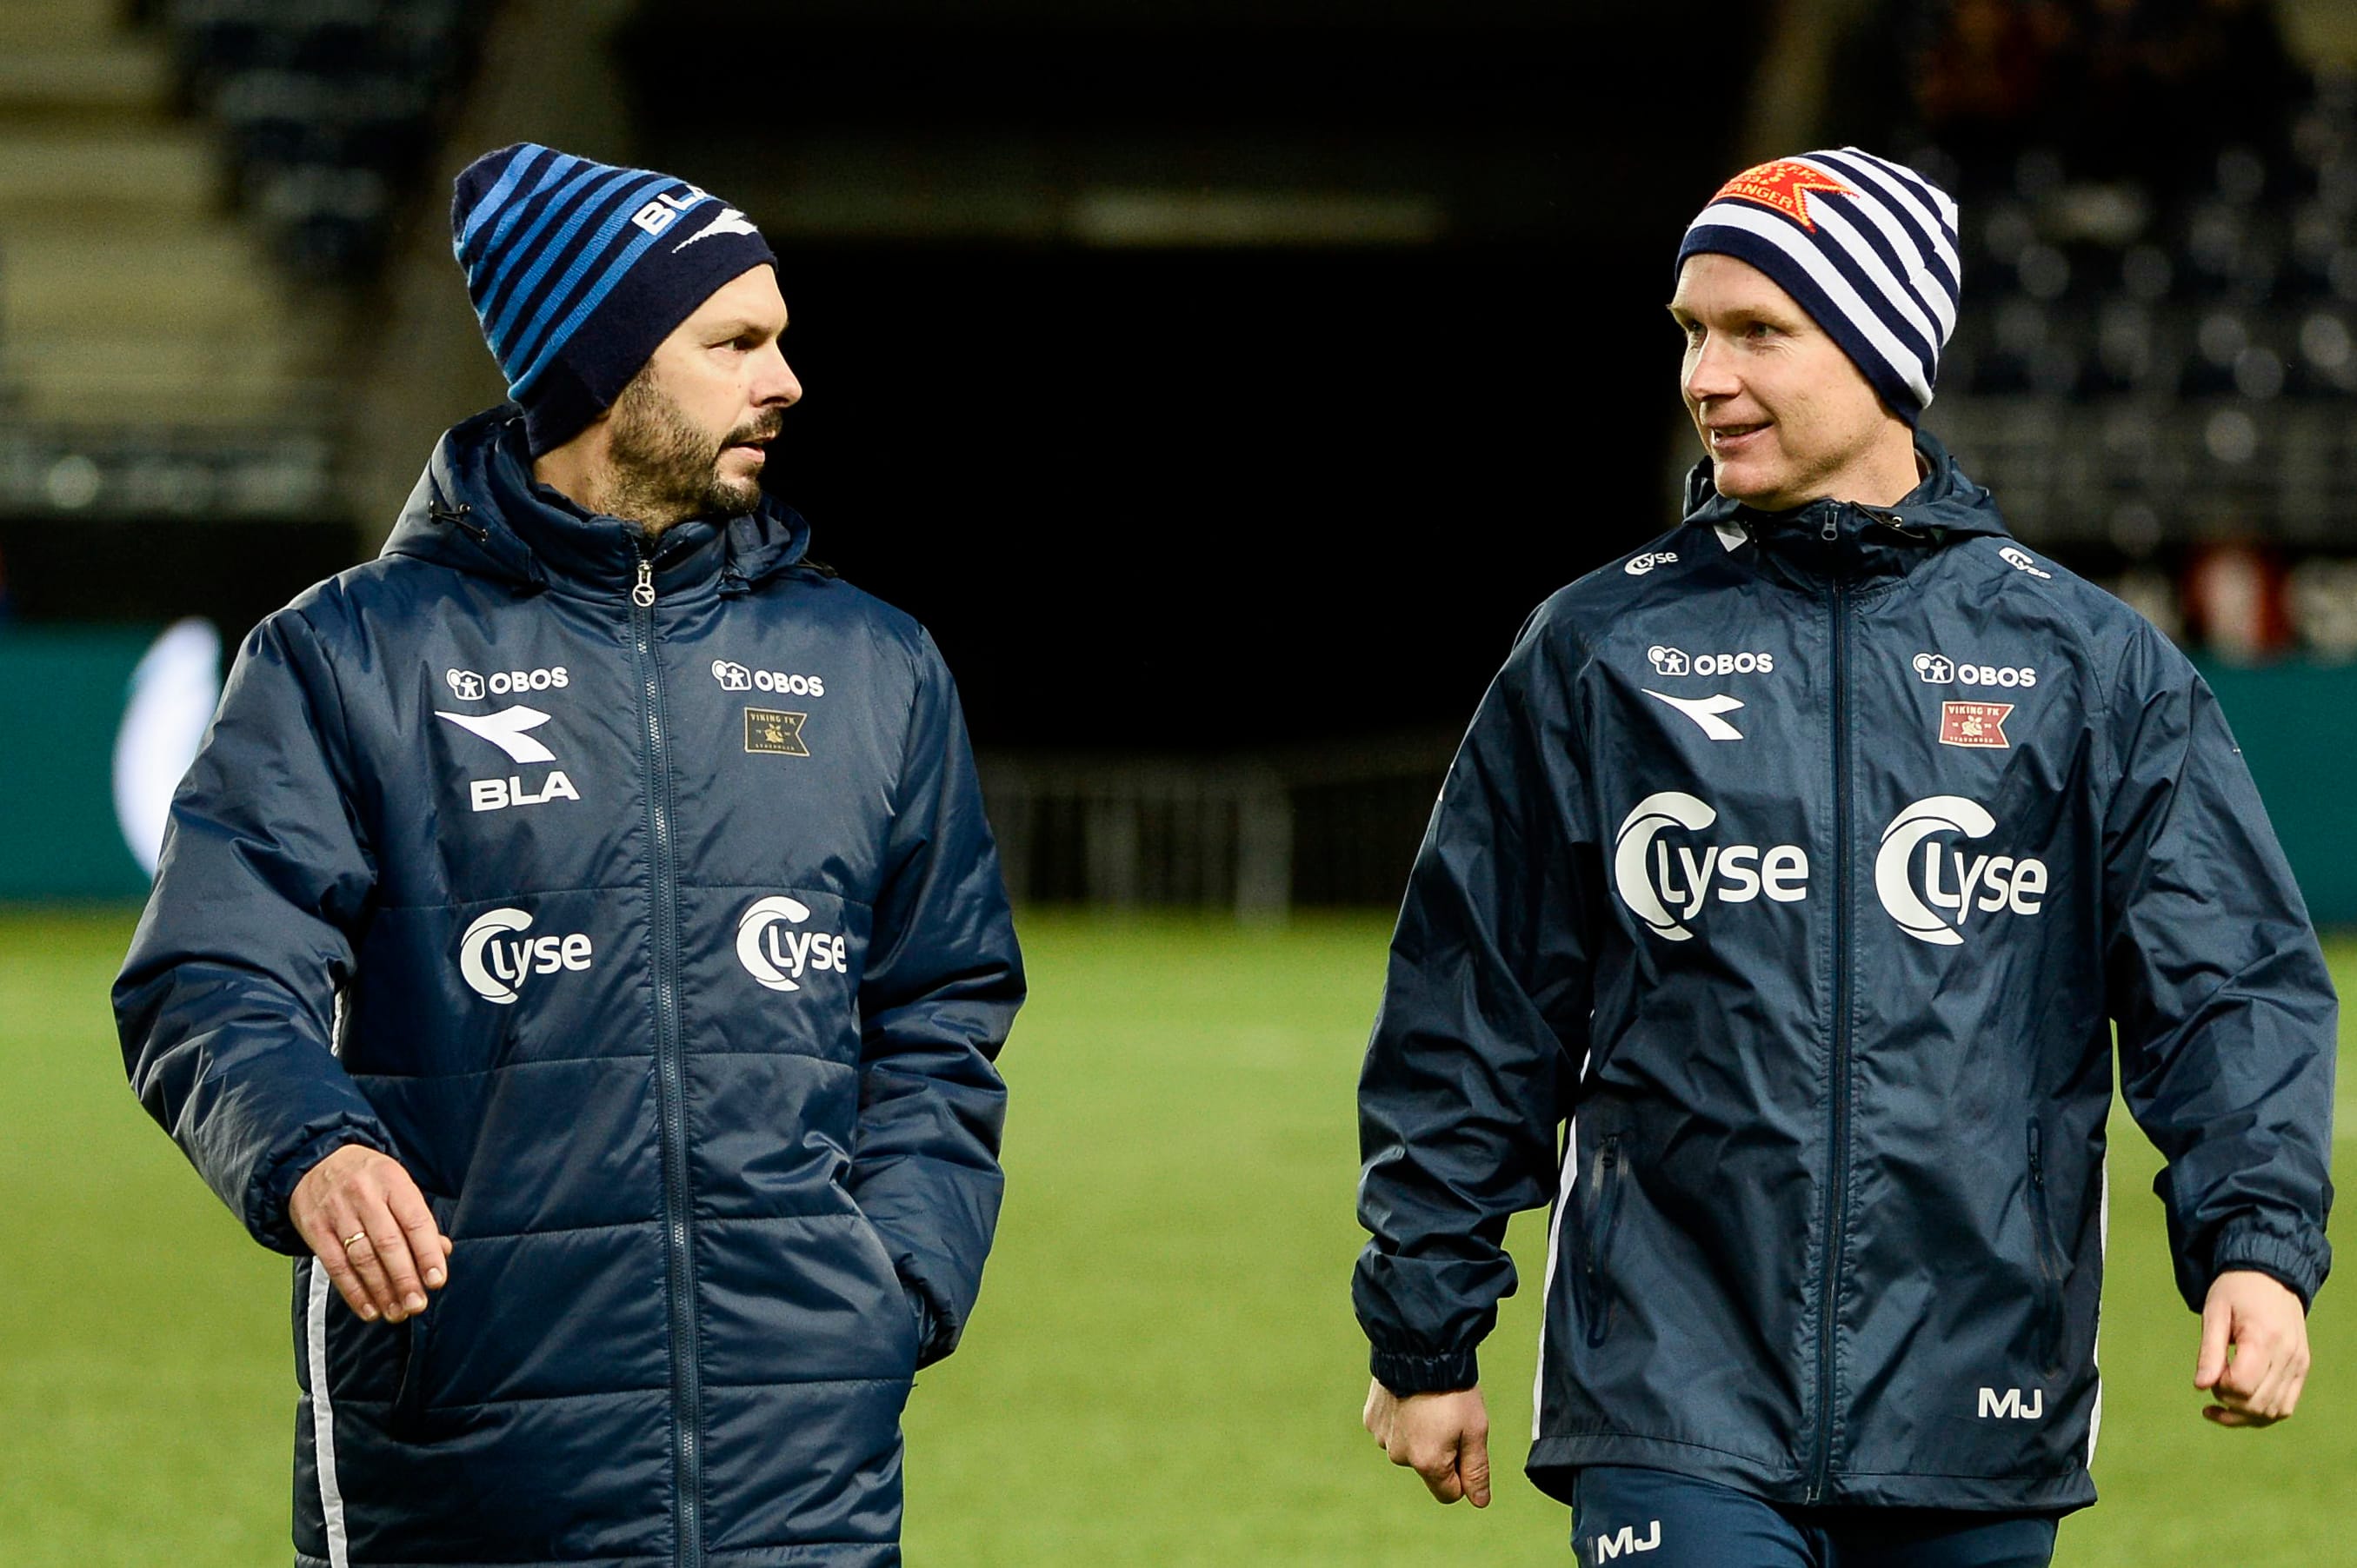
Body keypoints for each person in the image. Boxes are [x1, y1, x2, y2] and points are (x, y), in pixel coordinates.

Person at [1354, 147, 2333, 1566]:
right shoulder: (1596, 649)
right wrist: (1424, 1327)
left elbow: (2229, 980)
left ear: (1884, 349)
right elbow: (1473, 1008)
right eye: (1692, 331)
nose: (1707, 376)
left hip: (1977, 1399)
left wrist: (2256, 1245)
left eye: (1759, 330)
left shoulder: (2088, 663)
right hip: (1671, 1402)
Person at [115, 143, 1022, 1568]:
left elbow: (942, 1004)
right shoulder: (347, 658)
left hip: (801, 1474)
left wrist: (894, 1279)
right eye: (734, 343)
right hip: (462, 1463)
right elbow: (209, 976)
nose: (786, 381)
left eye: (779, 340)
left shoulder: (875, 665)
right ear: (601, 366)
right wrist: (312, 1150)